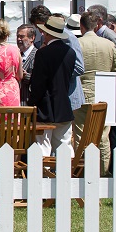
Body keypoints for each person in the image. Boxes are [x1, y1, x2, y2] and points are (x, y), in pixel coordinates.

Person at [74, 12, 116, 174]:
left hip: (82, 92)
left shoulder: (77, 43)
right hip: (103, 93)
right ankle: (102, 169)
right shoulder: (109, 45)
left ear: (81, 26)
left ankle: (82, 170)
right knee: (103, 135)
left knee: (80, 134)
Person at [29, 16, 76, 154]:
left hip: (45, 107)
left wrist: (32, 103)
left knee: (42, 146)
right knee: (64, 145)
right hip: (63, 106)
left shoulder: (43, 53)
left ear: (47, 34)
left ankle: (44, 174)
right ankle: (67, 174)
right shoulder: (70, 53)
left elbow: (39, 83)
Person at [86, 5, 116, 71]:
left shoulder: (111, 37)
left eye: (90, 19)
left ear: (99, 21)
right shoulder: (95, 35)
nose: (87, 21)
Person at [16, 23, 37, 106]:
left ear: (32, 38)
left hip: (29, 103)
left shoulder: (37, 55)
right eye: (17, 36)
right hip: (16, 102)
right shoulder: (16, 55)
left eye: (22, 36)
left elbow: (40, 81)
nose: (18, 39)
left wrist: (26, 76)